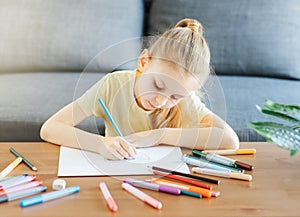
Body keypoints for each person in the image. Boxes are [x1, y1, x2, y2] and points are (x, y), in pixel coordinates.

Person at [40, 18, 239, 160]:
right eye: (158, 85)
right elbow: (50, 129)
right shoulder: (112, 85)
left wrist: (159, 136)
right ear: (144, 62)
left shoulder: (187, 100)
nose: (161, 101)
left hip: (165, 183)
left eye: (175, 97)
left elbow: (230, 140)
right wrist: (99, 144)